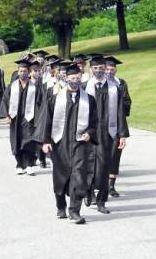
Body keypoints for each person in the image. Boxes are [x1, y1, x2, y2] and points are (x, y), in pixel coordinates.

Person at [36, 63, 98, 224]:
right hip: (59, 143)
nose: (75, 81)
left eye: (78, 78)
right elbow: (46, 120)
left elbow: (95, 123)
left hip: (79, 144)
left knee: (79, 176)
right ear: (66, 78)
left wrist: (89, 134)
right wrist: (45, 141)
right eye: (72, 79)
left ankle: (74, 211)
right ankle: (60, 205)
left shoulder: (89, 100)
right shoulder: (55, 99)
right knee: (60, 177)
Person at [83, 56, 130, 214]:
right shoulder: (84, 87)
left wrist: (122, 135)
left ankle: (102, 200)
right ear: (90, 70)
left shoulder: (114, 88)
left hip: (108, 134)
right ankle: (88, 192)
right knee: (88, 165)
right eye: (95, 68)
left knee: (104, 167)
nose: (99, 70)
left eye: (101, 67)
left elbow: (119, 113)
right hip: (89, 134)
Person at [0, 59, 42, 176]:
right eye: (20, 71)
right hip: (15, 119)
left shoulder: (34, 87)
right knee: (16, 141)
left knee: (28, 141)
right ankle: (19, 164)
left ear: (28, 72)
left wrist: (38, 119)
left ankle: (28, 165)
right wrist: (7, 115)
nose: (22, 73)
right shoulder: (12, 86)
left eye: (24, 71)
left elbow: (39, 103)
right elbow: (5, 100)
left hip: (29, 119)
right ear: (17, 72)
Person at [104, 56, 132, 198]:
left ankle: (111, 186)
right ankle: (99, 184)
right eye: (107, 69)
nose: (110, 71)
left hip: (116, 124)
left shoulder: (121, 84)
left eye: (112, 69)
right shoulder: (98, 84)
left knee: (115, 155)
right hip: (101, 127)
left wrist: (120, 106)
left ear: (116, 70)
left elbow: (127, 103)